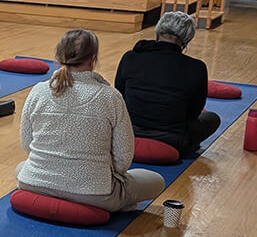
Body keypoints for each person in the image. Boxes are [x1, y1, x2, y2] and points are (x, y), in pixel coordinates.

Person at [17, 29, 166, 212]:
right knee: (156, 181)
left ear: (58, 57)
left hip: (34, 182)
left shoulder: (38, 91)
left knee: (22, 168)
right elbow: (123, 158)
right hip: (95, 193)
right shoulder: (111, 97)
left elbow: (27, 143)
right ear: (93, 59)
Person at [115, 11, 220, 157]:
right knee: (211, 118)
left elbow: (120, 96)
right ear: (186, 40)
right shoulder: (197, 67)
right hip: (173, 139)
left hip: (128, 132)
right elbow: (194, 112)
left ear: (158, 31)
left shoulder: (131, 57)